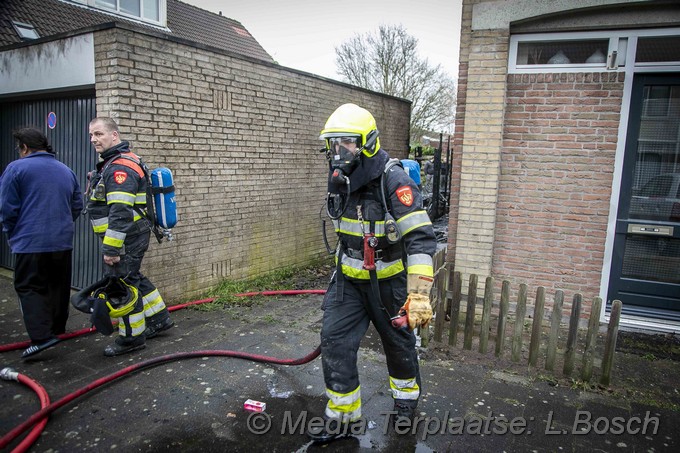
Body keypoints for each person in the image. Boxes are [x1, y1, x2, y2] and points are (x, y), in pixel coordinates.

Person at [308, 103, 436, 442]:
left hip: (389, 285)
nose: (339, 152)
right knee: (333, 342)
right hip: (348, 283)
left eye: (346, 143)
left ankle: (406, 404)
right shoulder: (340, 179)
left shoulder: (394, 180)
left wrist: (419, 296)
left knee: (398, 346)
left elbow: (422, 240)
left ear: (368, 143)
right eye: (334, 144)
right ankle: (343, 417)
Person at [86, 117, 173, 357]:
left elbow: (120, 212)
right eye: (92, 135)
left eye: (99, 134)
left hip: (125, 237)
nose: (94, 139)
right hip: (133, 234)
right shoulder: (119, 161)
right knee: (133, 276)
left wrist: (111, 249)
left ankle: (131, 338)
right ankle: (159, 318)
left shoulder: (120, 167)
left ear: (114, 135)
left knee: (124, 286)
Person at [0, 128, 83, 359]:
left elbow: (7, 208)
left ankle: (41, 337)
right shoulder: (66, 170)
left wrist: (12, 234)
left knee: (29, 287)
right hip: (62, 241)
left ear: (24, 148)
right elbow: (77, 204)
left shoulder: (16, 169)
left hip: (30, 242)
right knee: (58, 285)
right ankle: (57, 329)